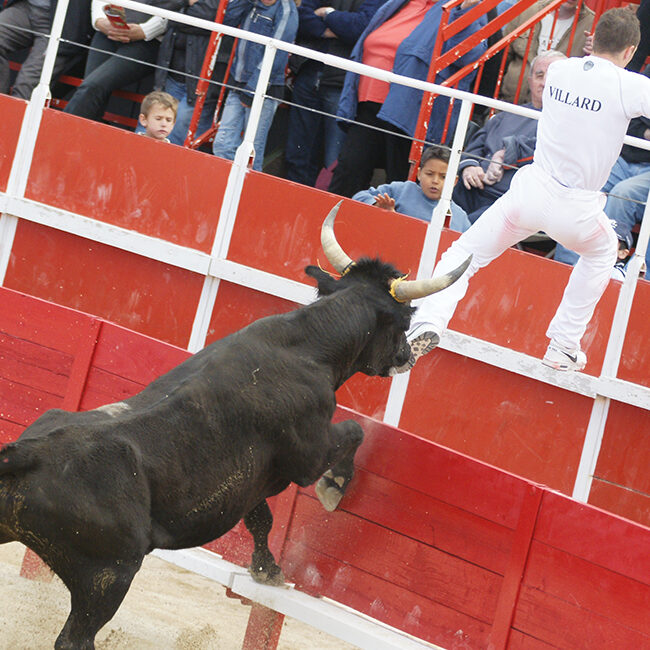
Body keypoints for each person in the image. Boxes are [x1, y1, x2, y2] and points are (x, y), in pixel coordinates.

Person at [394, 8, 650, 375]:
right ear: (630, 51)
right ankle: (563, 344)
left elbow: (571, 70)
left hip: (531, 193)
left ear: (595, 39)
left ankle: (427, 321)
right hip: (577, 208)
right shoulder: (632, 85)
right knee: (602, 253)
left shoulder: (561, 70)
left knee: (465, 252)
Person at [326, 0, 487, 199]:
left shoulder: (464, 5)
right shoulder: (400, 3)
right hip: (369, 103)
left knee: (402, 189)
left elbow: (468, 55)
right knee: (348, 174)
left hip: (413, 112)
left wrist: (465, 11)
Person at [453, 50, 564, 225]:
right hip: (471, 190)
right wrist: (470, 167)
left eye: (552, 76)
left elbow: (546, 149)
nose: (544, 83)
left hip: (509, 202)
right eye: (539, 75)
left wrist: (505, 154)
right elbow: (477, 144)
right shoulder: (506, 114)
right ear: (530, 81)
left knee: (463, 227)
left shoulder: (566, 124)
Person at [283, 0, 383, 187]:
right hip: (308, 71)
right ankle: (291, 209)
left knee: (334, 163)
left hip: (343, 83)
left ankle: (322, 214)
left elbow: (362, 27)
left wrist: (328, 14)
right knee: (297, 155)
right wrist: (329, 30)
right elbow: (299, 15)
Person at [212, 0, 298, 171]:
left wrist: (252, 90)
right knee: (222, 145)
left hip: (263, 91)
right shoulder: (250, 3)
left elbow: (277, 53)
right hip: (238, 83)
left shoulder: (287, 10)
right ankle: (224, 192)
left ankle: (244, 194)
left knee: (250, 155)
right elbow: (226, 20)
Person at [64, 0, 182, 121]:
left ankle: (61, 131)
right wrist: (99, 21)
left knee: (92, 86)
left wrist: (145, 31)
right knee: (92, 90)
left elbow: (178, 6)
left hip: (148, 41)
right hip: (106, 32)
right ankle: (77, 135)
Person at [352, 144, 471, 232]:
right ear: (419, 173)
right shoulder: (400, 190)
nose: (435, 181)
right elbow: (359, 197)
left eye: (443, 177)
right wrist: (376, 206)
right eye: (429, 174)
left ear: (454, 181)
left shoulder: (460, 218)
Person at [154, 0, 224, 146]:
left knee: (177, 146)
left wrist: (177, 13)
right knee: (151, 136)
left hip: (202, 82)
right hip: (169, 74)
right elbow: (159, 5)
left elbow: (212, 16)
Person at [500, 0, 594, 105]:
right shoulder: (528, 11)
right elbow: (502, 58)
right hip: (510, 103)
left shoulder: (592, 24)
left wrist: (595, 54)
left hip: (555, 109)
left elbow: (591, 77)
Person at [0, 0, 92, 100]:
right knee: (29, 82)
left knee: (28, 83)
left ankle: (16, 114)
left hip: (64, 20)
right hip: (25, 7)